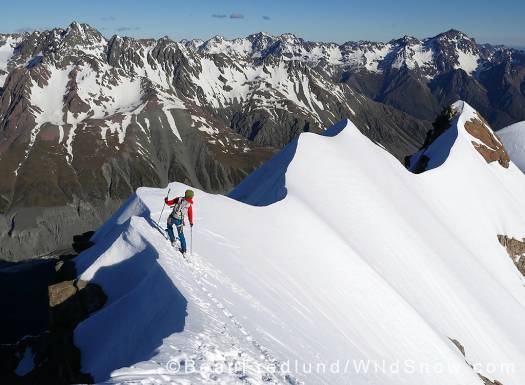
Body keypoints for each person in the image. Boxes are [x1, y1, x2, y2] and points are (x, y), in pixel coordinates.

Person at [165, 189, 194, 254]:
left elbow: (169, 203)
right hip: (179, 220)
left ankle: (172, 240)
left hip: (172, 217)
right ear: (191, 197)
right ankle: (184, 250)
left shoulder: (179, 199)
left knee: (169, 226)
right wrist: (191, 222)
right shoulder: (189, 205)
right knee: (181, 234)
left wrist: (166, 200)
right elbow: (190, 214)